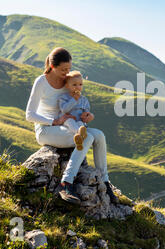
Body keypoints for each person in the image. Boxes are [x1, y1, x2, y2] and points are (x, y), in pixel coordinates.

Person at [25, 47, 119, 205]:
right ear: (53, 67)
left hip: (69, 126)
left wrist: (85, 115)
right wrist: (54, 121)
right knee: (87, 137)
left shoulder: (68, 81)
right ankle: (66, 183)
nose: (67, 72)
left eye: (69, 68)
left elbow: (76, 102)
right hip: (46, 129)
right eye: (63, 69)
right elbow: (29, 115)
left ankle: (105, 181)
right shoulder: (41, 81)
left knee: (100, 135)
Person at [57, 70, 91, 151]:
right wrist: (74, 99)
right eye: (74, 85)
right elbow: (64, 110)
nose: (78, 87)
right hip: (67, 119)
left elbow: (87, 110)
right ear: (67, 86)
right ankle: (79, 133)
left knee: (80, 124)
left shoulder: (83, 99)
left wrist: (86, 114)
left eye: (80, 84)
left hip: (79, 120)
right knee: (70, 121)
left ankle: (79, 139)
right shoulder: (64, 97)